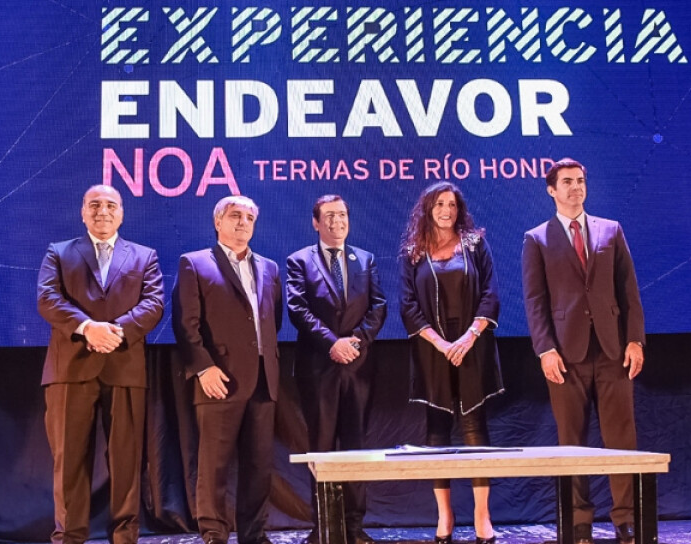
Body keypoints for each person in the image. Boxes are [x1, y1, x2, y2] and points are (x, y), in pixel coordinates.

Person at [521, 158, 645, 544]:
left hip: (612, 350)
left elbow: (629, 290)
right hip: (564, 354)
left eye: (580, 181)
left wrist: (635, 340)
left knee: (621, 438)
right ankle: (578, 522)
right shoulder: (536, 238)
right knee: (571, 440)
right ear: (551, 190)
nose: (575, 187)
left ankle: (626, 519)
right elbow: (535, 301)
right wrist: (545, 349)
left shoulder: (611, 230)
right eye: (567, 182)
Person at [37, 184, 165, 544]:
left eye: (111, 205)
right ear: (83, 212)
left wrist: (115, 332)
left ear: (122, 213)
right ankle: (69, 537)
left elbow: (154, 304)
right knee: (69, 462)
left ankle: (124, 537)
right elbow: (47, 298)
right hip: (69, 370)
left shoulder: (144, 256)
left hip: (125, 367)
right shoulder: (59, 252)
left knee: (126, 461)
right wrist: (88, 328)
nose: (103, 211)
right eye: (94, 205)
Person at [172, 195, 283, 544]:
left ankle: (254, 535)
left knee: (258, 466)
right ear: (217, 221)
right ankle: (214, 534)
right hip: (218, 378)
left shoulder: (269, 268)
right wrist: (203, 368)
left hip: (263, 379)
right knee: (214, 464)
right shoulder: (194, 263)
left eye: (249, 218)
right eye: (235, 216)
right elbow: (185, 324)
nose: (243, 223)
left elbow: (273, 321)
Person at [399, 182, 502, 544]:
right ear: (428, 209)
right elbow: (408, 305)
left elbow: (490, 293)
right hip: (433, 350)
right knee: (437, 431)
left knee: (475, 428)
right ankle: (445, 515)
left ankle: (482, 515)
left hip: (472, 345)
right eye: (440, 204)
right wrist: (442, 344)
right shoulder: (413, 252)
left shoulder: (475, 244)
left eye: (453, 204)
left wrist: (469, 337)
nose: (447, 210)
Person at [286, 195, 387, 544]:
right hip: (319, 368)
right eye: (329, 216)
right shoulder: (299, 260)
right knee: (322, 448)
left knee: (356, 447)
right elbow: (298, 308)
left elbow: (378, 306)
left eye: (342, 214)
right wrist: (332, 343)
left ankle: (355, 527)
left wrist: (356, 341)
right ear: (316, 223)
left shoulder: (366, 259)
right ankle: (325, 527)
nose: (337, 221)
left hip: (359, 367)